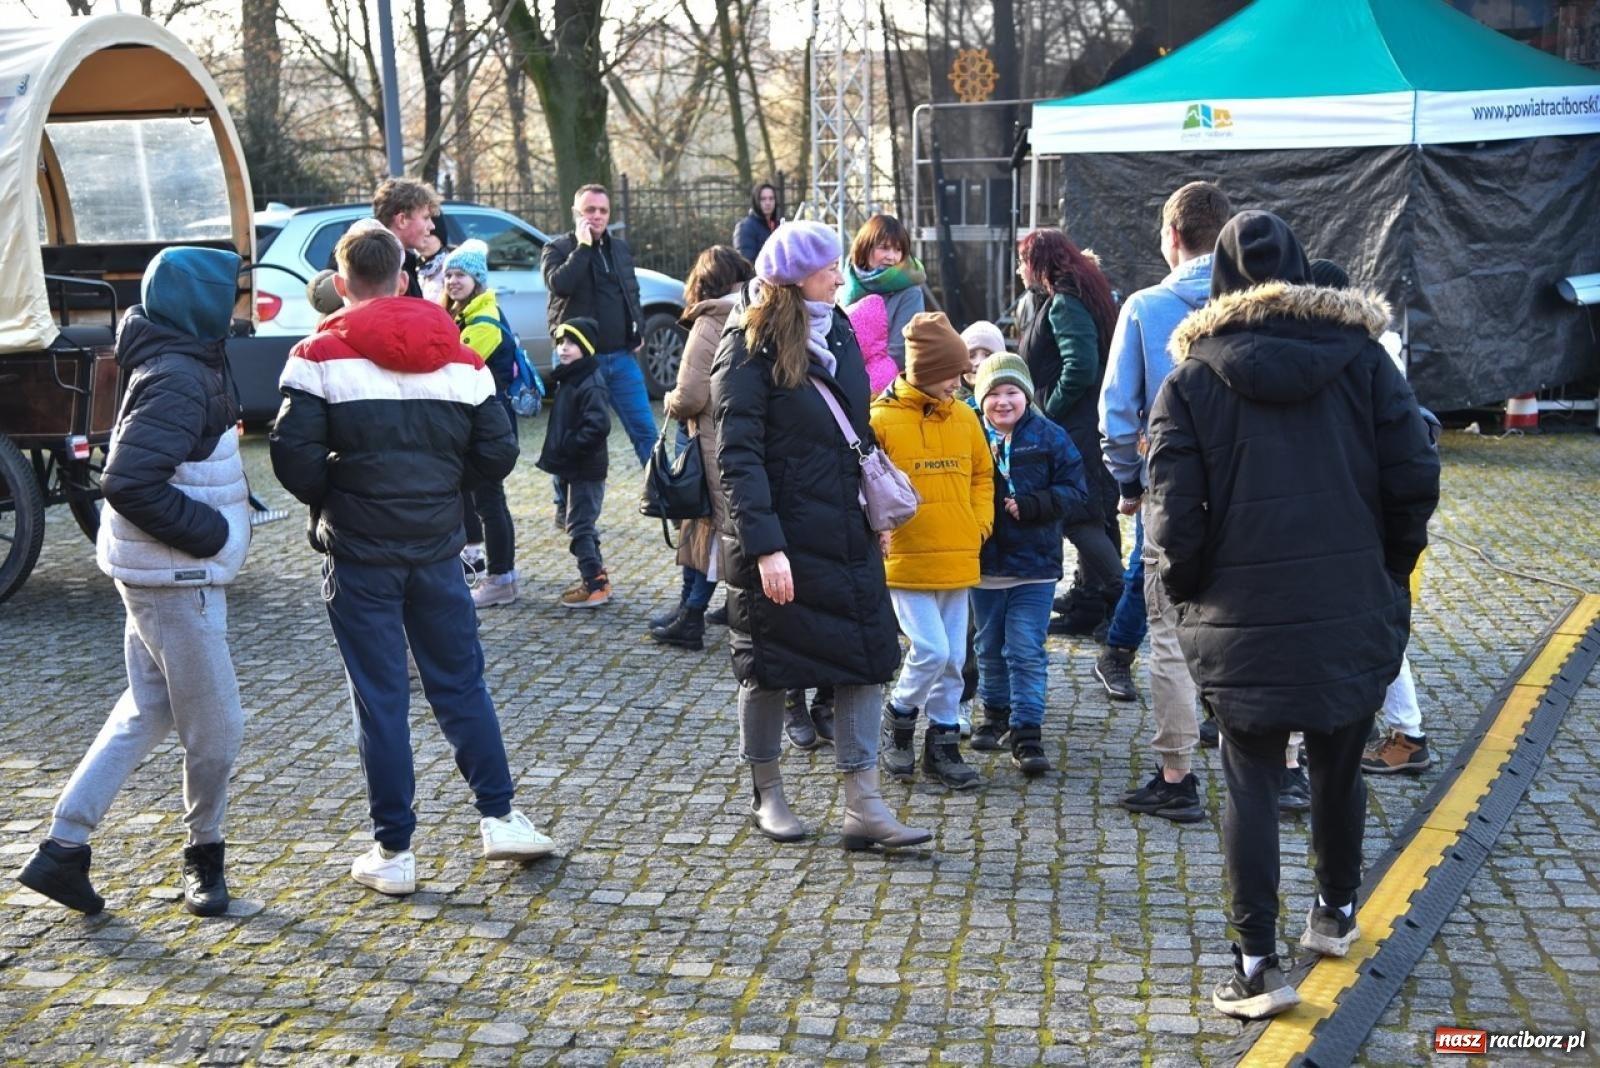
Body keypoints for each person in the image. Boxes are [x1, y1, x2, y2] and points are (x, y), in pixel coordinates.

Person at [1144, 210, 1440, 1018]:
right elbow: (1414, 475)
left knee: (1250, 781)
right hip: (1351, 601)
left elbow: (1172, 520)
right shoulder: (1365, 362)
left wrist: (1192, 592)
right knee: (1341, 759)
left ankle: (1255, 966)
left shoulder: (1191, 379)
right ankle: (1336, 913)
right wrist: (1389, 568)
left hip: (1240, 613)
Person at [270, 221, 557, 897]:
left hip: (360, 550)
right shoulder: (459, 356)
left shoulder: (316, 355)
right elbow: (497, 453)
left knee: (380, 699)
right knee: (460, 684)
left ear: (342, 285)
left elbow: (292, 458)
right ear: (403, 277)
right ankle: (499, 815)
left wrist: (339, 495)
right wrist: (440, 487)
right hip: (436, 548)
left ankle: (394, 852)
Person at [15, 247, 251, 918]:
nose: (235, 305)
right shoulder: (178, 372)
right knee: (219, 729)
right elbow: (127, 481)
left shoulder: (182, 350)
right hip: (174, 575)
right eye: (226, 294)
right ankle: (204, 853)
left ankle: (64, 847)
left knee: (147, 708)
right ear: (199, 304)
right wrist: (212, 533)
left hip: (156, 568)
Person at [710, 220, 930, 850]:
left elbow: (854, 431)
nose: (840, 274)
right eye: (828, 266)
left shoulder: (838, 330)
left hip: (843, 527)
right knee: (771, 667)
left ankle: (864, 807)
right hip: (779, 538)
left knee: (866, 658)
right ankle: (768, 795)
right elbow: (738, 456)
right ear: (795, 276)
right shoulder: (746, 343)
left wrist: (872, 513)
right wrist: (766, 547)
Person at [1095, 181, 1230, 822]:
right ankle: (1284, 767)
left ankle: (1177, 774)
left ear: (1171, 237)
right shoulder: (1258, 305)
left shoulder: (1147, 307)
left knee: (1170, 634)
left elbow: (1119, 412)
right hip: (1249, 491)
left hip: (1171, 491)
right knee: (1255, 624)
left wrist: (1127, 481)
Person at [1307, 258, 1435, 776]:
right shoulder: (1371, 352)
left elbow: (1401, 461)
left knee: (1375, 628)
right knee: (1368, 623)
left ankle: (1408, 734)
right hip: (1370, 516)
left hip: (1366, 518)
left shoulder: (1358, 358)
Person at [871, 312, 995, 790]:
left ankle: (942, 746)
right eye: (952, 374)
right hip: (905, 559)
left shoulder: (965, 417)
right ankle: (898, 717)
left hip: (958, 554)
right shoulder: (878, 419)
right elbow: (865, 486)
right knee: (931, 649)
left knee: (952, 659)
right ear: (926, 372)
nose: (959, 383)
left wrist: (979, 523)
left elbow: (983, 476)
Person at [968, 353, 1091, 776]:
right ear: (980, 397)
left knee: (1024, 647)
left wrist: (1037, 504)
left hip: (1034, 566)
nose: (1003, 402)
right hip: (984, 566)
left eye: (1012, 392)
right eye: (994, 394)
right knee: (987, 646)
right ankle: (995, 713)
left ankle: (1027, 730)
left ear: (1026, 395)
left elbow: (1076, 490)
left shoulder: (1049, 436)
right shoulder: (969, 435)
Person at [1014, 228, 1123, 639]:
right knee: (1094, 514)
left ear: (1041, 263)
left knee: (1081, 518)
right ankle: (1091, 605)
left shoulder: (1065, 303)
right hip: (1085, 425)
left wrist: (1045, 413)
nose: (1020, 269)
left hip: (1074, 428)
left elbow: (1080, 367)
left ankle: (1123, 602)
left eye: (1024, 260)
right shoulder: (1074, 295)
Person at [651, 246, 756, 650]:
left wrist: (670, 400)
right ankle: (699, 608)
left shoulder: (710, 320)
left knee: (701, 530)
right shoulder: (754, 311)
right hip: (740, 437)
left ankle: (690, 615)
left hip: (707, 438)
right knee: (720, 530)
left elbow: (692, 395)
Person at [541, 183, 656, 466]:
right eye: (589, 210)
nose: (597, 216)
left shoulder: (619, 249)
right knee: (572, 437)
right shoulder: (557, 248)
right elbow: (560, 285)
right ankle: (564, 506)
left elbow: (632, 292)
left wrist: (638, 328)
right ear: (575, 213)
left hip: (621, 358)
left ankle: (665, 497)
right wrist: (583, 248)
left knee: (647, 433)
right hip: (578, 362)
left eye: (603, 210)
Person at [440, 239, 521, 608]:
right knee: (475, 497)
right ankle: (484, 568)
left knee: (490, 501)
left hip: (491, 426)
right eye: (449, 274)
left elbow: (454, 367)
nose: (453, 281)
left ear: (478, 278)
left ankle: (502, 578)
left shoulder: (484, 320)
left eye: (461, 274)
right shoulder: (463, 314)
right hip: (475, 422)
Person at [537, 317, 614, 609]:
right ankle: (598, 578)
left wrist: (570, 445)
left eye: (570, 343)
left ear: (585, 347)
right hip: (573, 467)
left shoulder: (589, 382)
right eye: (560, 343)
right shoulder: (571, 376)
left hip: (586, 468)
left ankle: (594, 583)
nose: (563, 348)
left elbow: (598, 425)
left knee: (580, 526)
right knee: (582, 525)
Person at [842, 214, 927, 377]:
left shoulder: (910, 292)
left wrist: (862, 382)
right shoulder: (845, 282)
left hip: (885, 385)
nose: (892, 257)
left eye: (898, 249)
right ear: (865, 247)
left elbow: (901, 352)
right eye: (884, 247)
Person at [370, 177, 440, 299]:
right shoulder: (373, 266)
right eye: (426, 218)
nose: (432, 226)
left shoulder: (402, 262)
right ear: (402, 220)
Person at [733, 182, 782, 263]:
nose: (768, 203)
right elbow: (746, 262)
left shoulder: (779, 226)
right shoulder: (745, 227)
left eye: (771, 198)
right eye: (763, 199)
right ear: (756, 201)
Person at [416, 211, 451, 303]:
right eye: (421, 235)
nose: (424, 240)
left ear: (440, 238)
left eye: (429, 235)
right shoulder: (413, 267)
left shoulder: (450, 268)